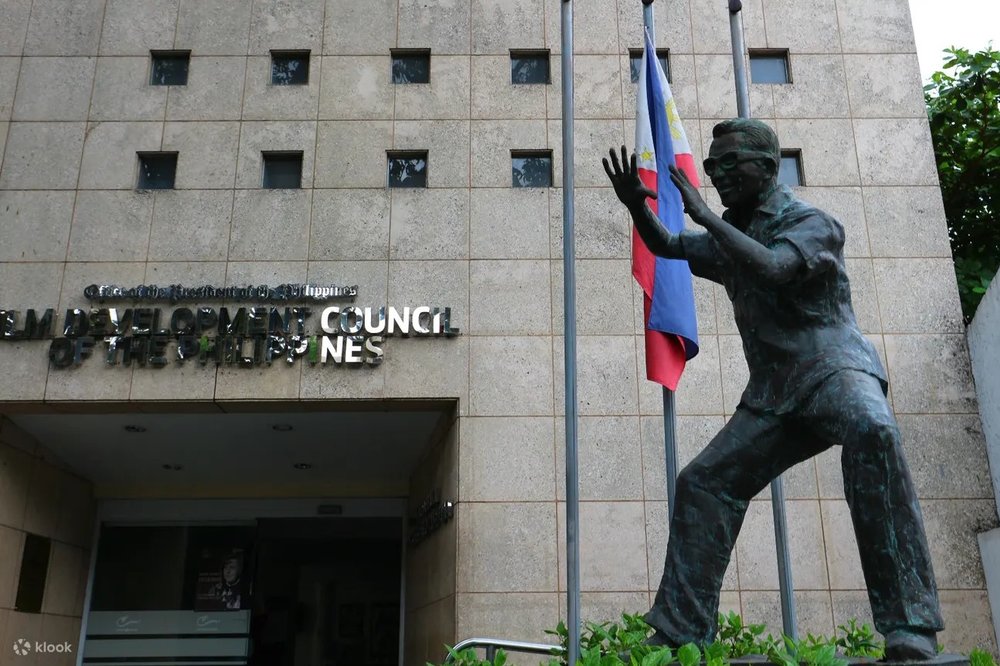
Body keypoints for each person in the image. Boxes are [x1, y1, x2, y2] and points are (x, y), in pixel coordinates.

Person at [602, 118, 944, 660]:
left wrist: (705, 215)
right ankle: (679, 632)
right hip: (775, 392)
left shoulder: (811, 222)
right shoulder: (732, 232)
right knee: (703, 482)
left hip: (833, 370)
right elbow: (667, 245)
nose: (717, 174)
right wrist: (635, 206)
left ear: (768, 165)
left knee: (873, 430)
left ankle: (910, 625)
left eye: (729, 163)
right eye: (713, 166)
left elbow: (777, 267)